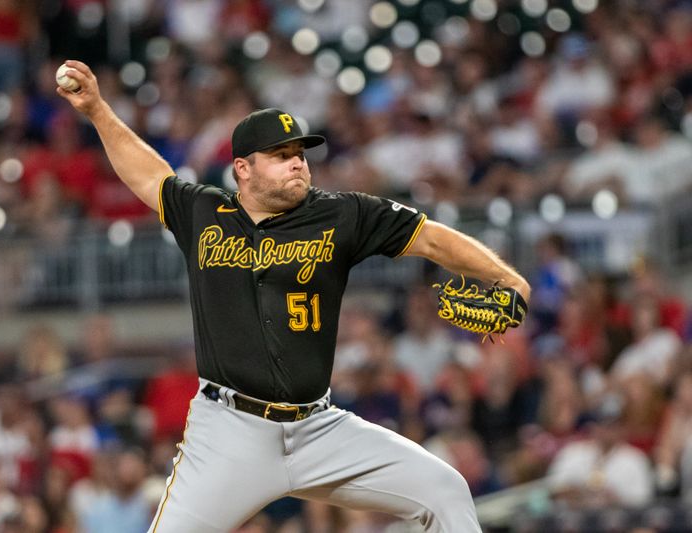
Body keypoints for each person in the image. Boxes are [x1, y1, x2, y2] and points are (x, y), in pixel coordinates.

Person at [57, 60, 531, 533]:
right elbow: (148, 175)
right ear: (243, 168)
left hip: (318, 428)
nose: (298, 162)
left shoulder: (342, 214)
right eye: (281, 154)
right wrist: (98, 110)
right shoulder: (206, 212)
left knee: (444, 490)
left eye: (300, 152)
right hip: (228, 431)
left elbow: (430, 238)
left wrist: (507, 278)